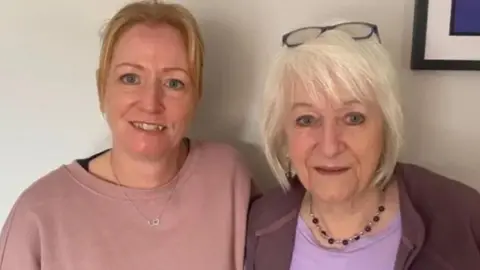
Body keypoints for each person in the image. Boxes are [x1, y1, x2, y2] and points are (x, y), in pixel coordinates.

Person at [0, 1, 253, 269]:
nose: (150, 103)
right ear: (102, 88)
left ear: (197, 95)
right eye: (130, 78)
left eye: (174, 83)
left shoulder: (228, 177)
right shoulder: (38, 216)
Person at [244, 21, 480, 270]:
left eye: (353, 118)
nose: (330, 147)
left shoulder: (462, 216)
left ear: (386, 126)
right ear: (283, 135)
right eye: (307, 119)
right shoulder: (259, 223)